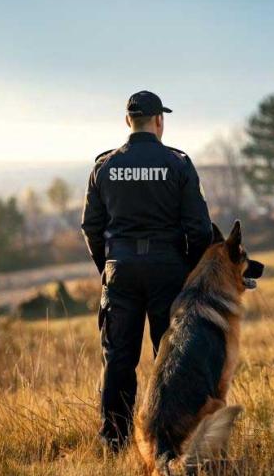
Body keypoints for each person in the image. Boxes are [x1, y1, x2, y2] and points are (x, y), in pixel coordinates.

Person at [80, 90, 213, 453]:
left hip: (119, 271)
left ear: (128, 122)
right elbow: (199, 229)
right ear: (159, 121)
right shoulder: (178, 164)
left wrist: (106, 269)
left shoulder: (104, 167)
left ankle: (114, 443)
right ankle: (168, 441)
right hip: (168, 271)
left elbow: (91, 227)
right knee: (169, 360)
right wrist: (189, 273)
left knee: (119, 360)